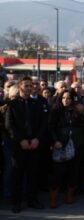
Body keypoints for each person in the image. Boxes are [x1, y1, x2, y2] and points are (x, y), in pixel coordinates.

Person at [5, 77, 47, 213]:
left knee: (33, 174)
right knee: (17, 175)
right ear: (20, 87)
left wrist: (36, 139)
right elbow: (9, 125)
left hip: (34, 144)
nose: (30, 88)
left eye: (31, 86)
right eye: (26, 86)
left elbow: (42, 124)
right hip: (19, 146)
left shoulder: (36, 104)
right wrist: (20, 140)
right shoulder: (12, 104)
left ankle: (32, 200)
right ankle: (16, 202)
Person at [48, 89, 84, 208]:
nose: (66, 100)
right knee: (58, 173)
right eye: (64, 98)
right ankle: (53, 198)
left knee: (74, 171)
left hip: (77, 144)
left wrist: (82, 112)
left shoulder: (77, 110)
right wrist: (55, 141)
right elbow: (50, 127)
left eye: (69, 98)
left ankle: (70, 195)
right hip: (61, 144)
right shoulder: (56, 111)